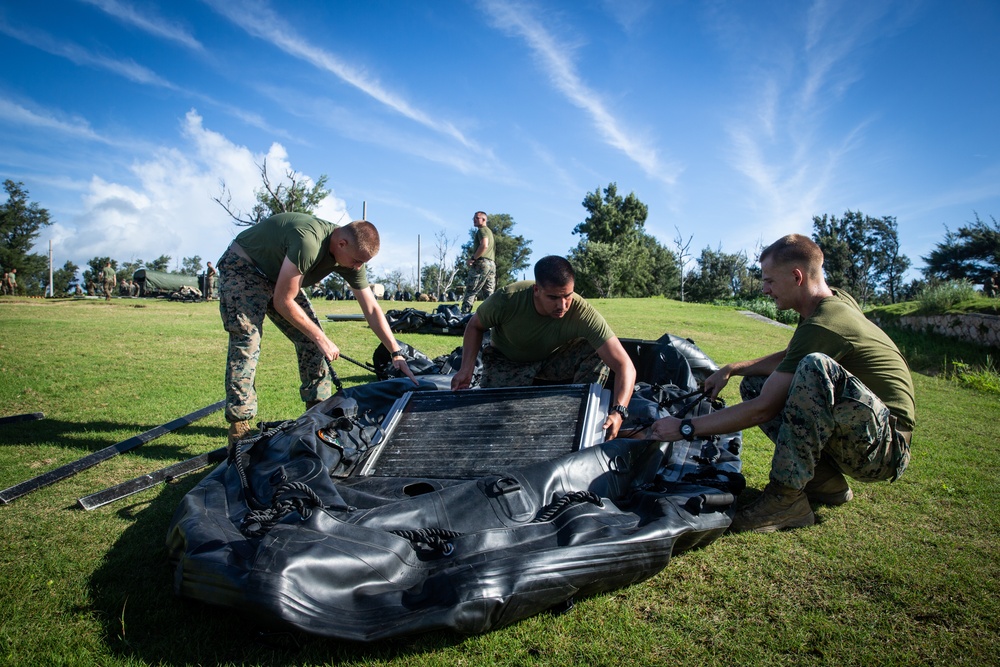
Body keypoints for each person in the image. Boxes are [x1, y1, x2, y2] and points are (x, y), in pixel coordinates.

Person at [650, 234, 915, 533]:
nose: (765, 289)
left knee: (813, 368)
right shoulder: (830, 303)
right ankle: (826, 484)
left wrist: (686, 427)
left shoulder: (824, 324)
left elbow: (763, 409)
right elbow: (791, 356)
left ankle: (786, 502)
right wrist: (732, 369)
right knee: (757, 382)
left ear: (797, 276)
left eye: (770, 281)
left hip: (885, 449)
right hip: (868, 429)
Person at [218, 211, 417, 449]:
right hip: (244, 268)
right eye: (357, 261)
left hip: (278, 277)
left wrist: (395, 351)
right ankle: (240, 424)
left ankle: (318, 413)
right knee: (247, 342)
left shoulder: (349, 253)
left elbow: (372, 309)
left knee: (311, 342)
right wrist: (321, 337)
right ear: (341, 243)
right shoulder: (309, 241)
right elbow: (284, 300)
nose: (358, 267)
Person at [451, 255, 637, 440]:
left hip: (550, 362)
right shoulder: (508, 298)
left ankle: (577, 410)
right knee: (492, 419)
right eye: (553, 297)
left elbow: (625, 365)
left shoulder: (582, 312)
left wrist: (619, 411)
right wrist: (466, 369)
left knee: (596, 350)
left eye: (567, 296)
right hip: (508, 363)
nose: (562, 305)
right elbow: (475, 325)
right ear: (536, 290)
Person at [460, 211, 496, 314]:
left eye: (477, 218)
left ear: (484, 219)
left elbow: (484, 245)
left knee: (471, 290)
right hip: (491, 264)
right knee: (489, 294)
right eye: (474, 218)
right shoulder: (489, 232)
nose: (474, 220)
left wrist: (473, 258)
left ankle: (464, 316)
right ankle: (492, 318)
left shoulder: (482, 230)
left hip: (482, 263)